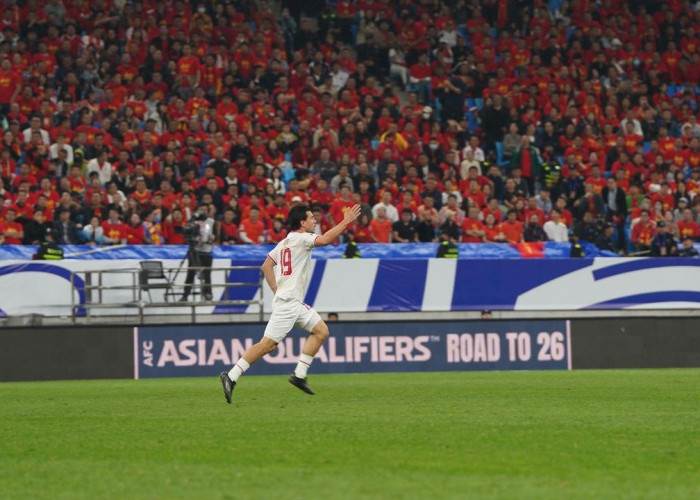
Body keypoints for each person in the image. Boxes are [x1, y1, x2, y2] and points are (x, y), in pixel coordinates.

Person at [220, 203, 361, 403]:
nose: (315, 221)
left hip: (292, 301)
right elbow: (326, 240)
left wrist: (277, 290)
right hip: (288, 303)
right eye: (311, 218)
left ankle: (299, 375)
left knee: (321, 331)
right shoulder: (303, 239)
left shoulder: (285, 242)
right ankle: (231, 376)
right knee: (267, 345)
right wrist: (346, 221)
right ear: (302, 223)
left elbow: (266, 265)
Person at [180, 203, 215, 301]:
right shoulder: (193, 222)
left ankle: (208, 293)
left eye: (204, 210)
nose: (202, 212)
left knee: (207, 274)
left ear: (208, 212)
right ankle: (185, 294)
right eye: (200, 209)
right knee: (190, 273)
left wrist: (212, 237)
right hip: (194, 251)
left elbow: (215, 235)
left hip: (206, 251)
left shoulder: (211, 222)